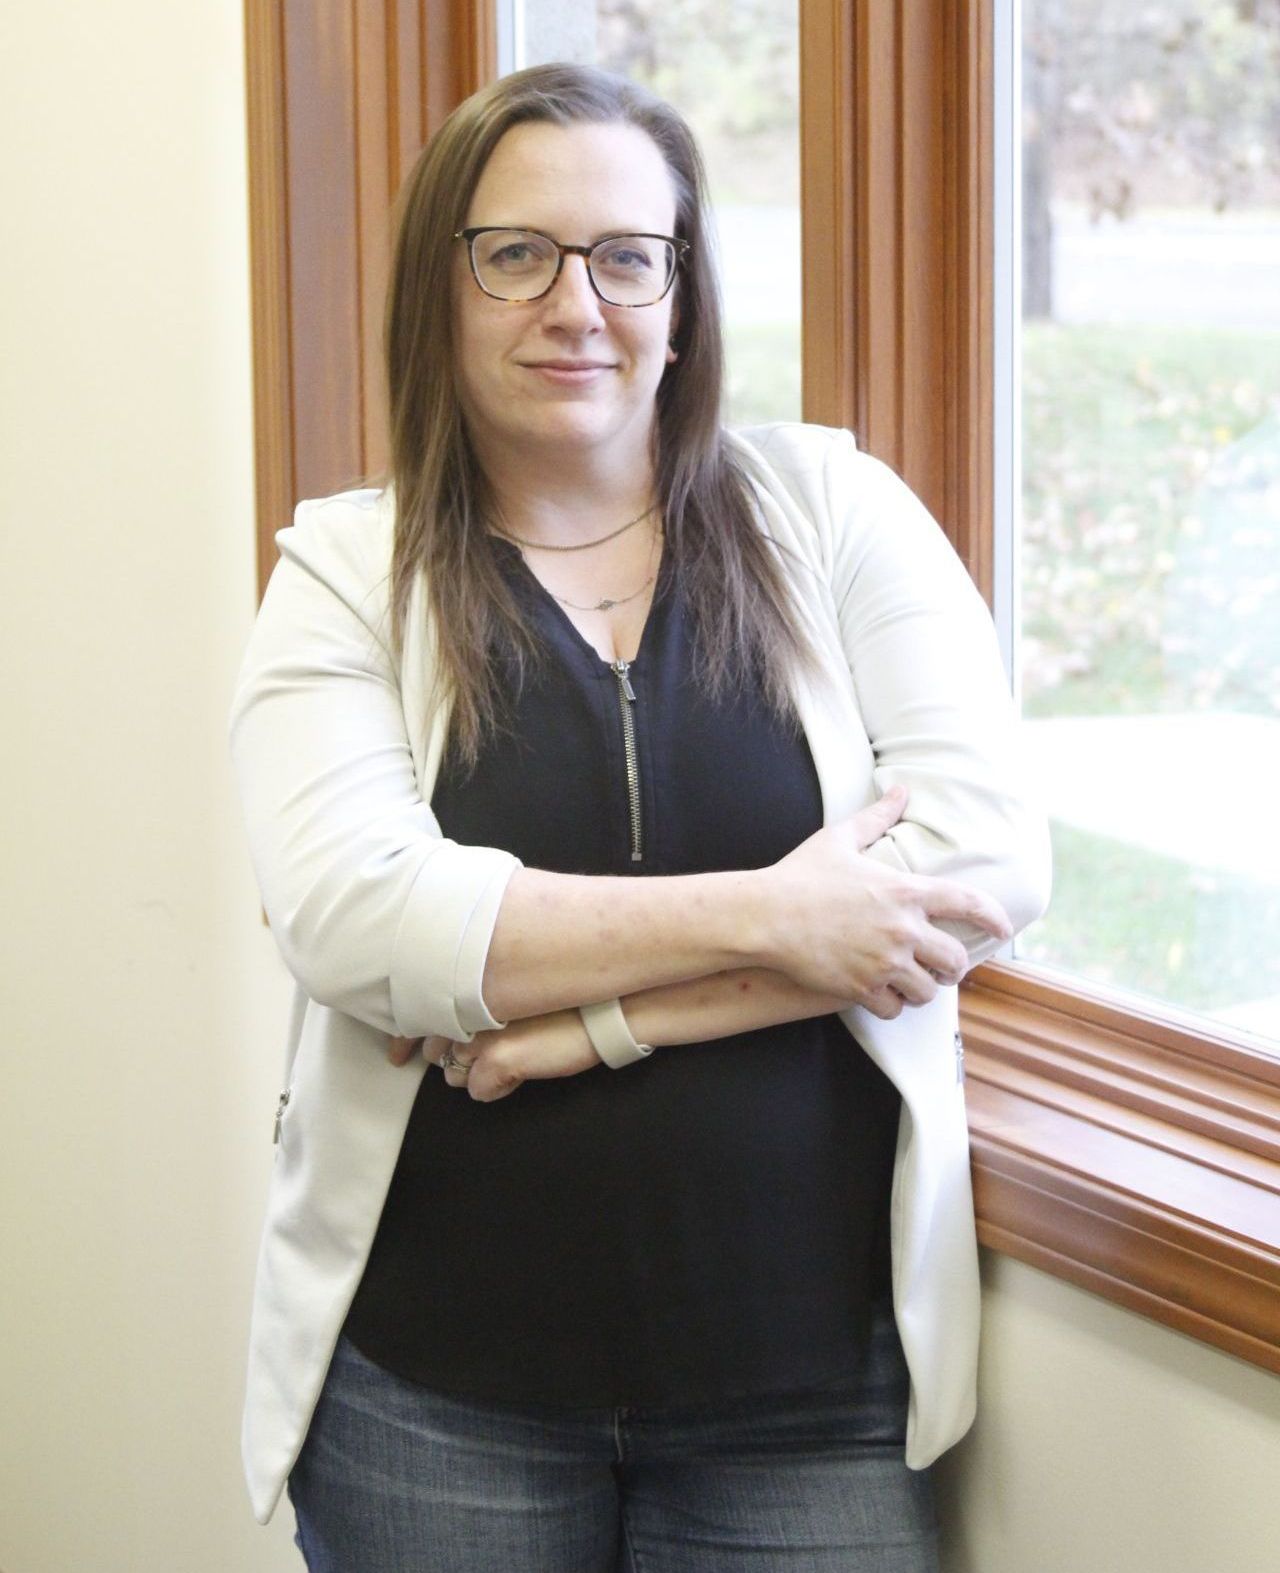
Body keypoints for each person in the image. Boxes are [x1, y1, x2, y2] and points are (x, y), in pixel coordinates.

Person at [230, 61, 1050, 1573]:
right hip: (438, 1405)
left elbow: (989, 856)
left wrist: (594, 1024)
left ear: (682, 297)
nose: (578, 303)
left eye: (628, 256)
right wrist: (770, 913)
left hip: (807, 1397)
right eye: (517, 253)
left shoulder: (832, 511)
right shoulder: (346, 573)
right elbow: (361, 919)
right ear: (443, 284)